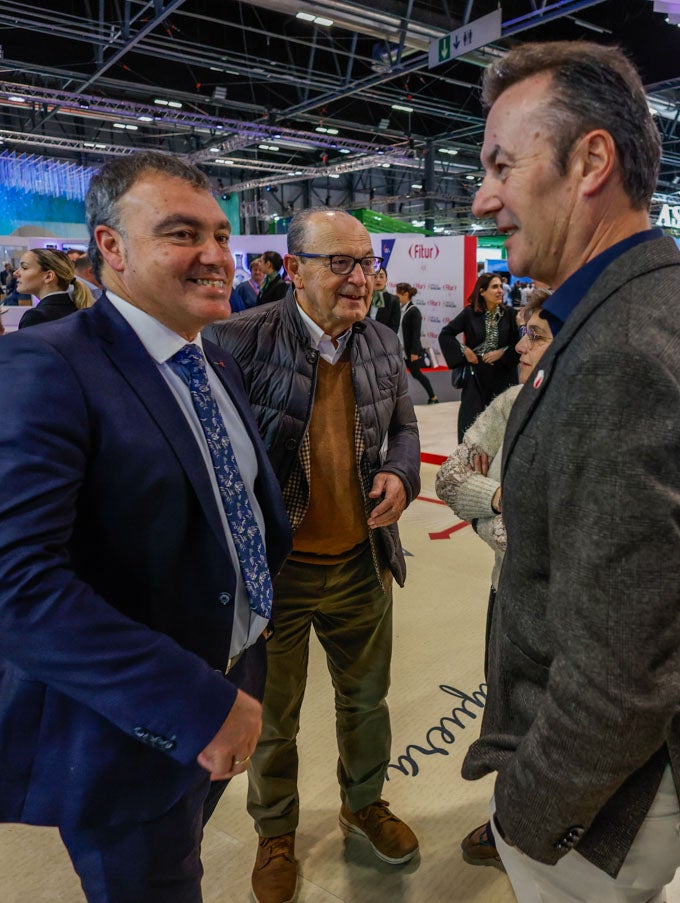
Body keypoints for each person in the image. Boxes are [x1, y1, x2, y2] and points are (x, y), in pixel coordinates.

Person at [0, 151, 292, 903]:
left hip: (228, 679)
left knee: (183, 853)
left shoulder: (213, 362)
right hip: (130, 723)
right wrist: (198, 703)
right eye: (181, 233)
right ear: (111, 247)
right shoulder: (39, 366)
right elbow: (5, 585)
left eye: (221, 234)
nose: (214, 255)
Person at [462, 41, 680, 902]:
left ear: (591, 159)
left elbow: (622, 676)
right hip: (646, 773)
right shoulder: (669, 306)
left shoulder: (624, 348)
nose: (484, 198)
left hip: (605, 804)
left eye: (502, 165)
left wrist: (527, 808)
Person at [208, 208, 421, 903]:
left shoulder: (383, 342)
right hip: (278, 577)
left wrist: (400, 471)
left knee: (366, 702)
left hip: (362, 563)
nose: (360, 278)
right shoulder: (233, 342)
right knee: (272, 717)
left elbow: (404, 426)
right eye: (341, 263)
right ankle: (276, 832)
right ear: (293, 269)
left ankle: (363, 805)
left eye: (367, 263)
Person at [436, 289, 551, 870]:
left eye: (536, 336)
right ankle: (509, 820)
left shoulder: (593, 420)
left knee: (555, 723)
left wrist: (504, 516)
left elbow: (569, 537)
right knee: (504, 709)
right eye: (523, 332)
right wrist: (503, 498)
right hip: (506, 591)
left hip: (565, 608)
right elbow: (451, 481)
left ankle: (544, 828)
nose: (520, 344)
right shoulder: (510, 402)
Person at [438, 272, 518, 439]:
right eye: (494, 287)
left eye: (501, 287)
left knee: (502, 424)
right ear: (482, 291)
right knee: (470, 422)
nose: (500, 291)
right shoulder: (470, 314)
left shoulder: (509, 314)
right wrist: (464, 350)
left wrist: (501, 352)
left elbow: (518, 343)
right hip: (476, 376)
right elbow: (446, 334)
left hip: (503, 376)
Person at [15, 248, 96, 330]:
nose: (15, 273)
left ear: (49, 276)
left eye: (24, 268)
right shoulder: (77, 308)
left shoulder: (36, 317)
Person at [394, 282, 437, 404]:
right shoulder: (400, 310)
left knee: (417, 374)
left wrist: (414, 352)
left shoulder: (414, 311)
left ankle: (433, 396)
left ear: (406, 294)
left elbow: (416, 334)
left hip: (410, 352)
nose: (396, 296)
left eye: (398, 294)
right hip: (400, 350)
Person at [367, 266, 400, 332]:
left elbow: (394, 327)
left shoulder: (393, 300)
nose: (378, 280)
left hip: (384, 338)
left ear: (386, 280)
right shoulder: (365, 297)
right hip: (365, 337)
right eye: (375, 277)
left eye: (381, 277)